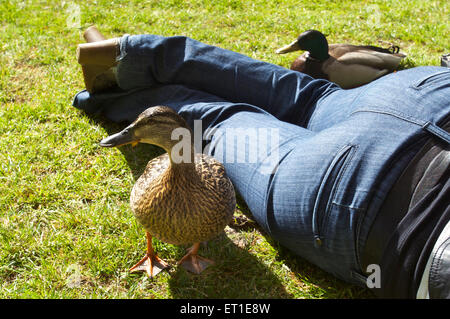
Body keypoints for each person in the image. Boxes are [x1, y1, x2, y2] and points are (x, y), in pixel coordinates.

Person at [73, 27, 450, 298]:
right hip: (375, 199)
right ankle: (111, 96)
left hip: (433, 93)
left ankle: (135, 53)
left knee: (308, 97)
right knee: (224, 121)